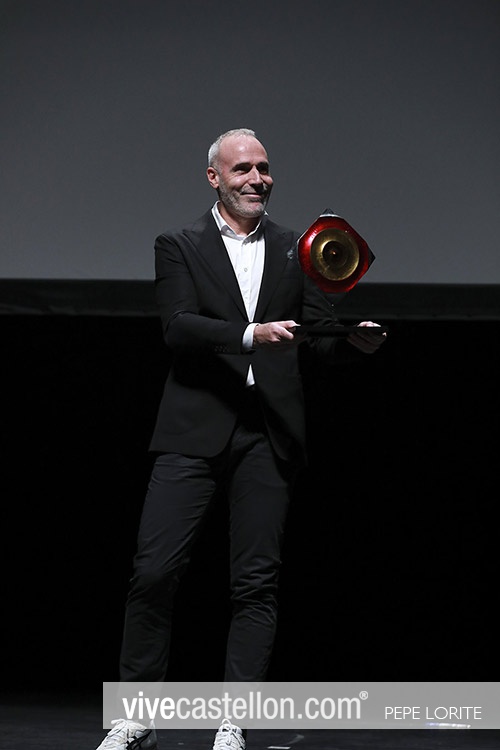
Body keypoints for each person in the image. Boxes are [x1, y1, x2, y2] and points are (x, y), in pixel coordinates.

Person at [96, 128, 386, 750]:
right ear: (215, 178)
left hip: (267, 433)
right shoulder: (178, 244)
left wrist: (352, 341)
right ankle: (136, 717)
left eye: (264, 168)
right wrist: (253, 334)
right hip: (193, 428)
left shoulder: (295, 248)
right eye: (243, 169)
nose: (258, 179)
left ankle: (234, 721)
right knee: (154, 573)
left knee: (255, 583)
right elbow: (178, 327)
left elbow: (315, 337)